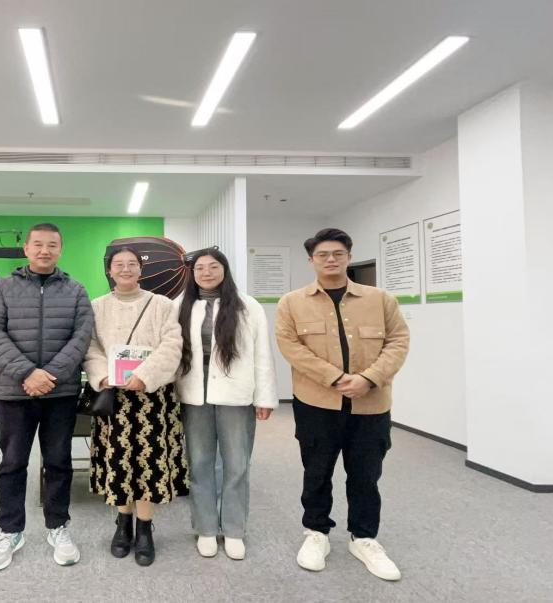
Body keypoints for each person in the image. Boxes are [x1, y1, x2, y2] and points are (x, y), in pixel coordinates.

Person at [276, 228, 410, 581]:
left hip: (371, 404)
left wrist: (368, 378)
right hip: (316, 404)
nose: (331, 259)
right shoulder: (292, 302)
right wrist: (334, 378)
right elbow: (291, 347)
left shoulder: (380, 299)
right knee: (316, 472)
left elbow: (398, 341)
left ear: (349, 257)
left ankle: (364, 538)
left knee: (366, 475)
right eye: (323, 255)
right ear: (311, 261)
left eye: (338, 253)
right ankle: (316, 533)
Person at [0, 223, 94, 571]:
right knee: (13, 463)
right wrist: (28, 373)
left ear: (60, 249)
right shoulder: (3, 287)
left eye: (52, 245)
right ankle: (10, 531)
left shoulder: (75, 290)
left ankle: (58, 526)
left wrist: (50, 375)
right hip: (14, 391)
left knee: (58, 461)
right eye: (38, 245)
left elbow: (82, 335)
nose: (45, 250)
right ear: (26, 249)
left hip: (61, 392)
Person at [83, 247, 186, 566]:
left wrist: (145, 375)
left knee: (148, 463)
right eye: (119, 264)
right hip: (113, 398)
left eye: (132, 264)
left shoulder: (162, 304)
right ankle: (122, 523)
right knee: (118, 462)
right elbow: (90, 347)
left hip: (153, 398)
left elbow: (173, 345)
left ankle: (144, 527)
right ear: (109, 271)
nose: (125, 269)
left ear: (141, 270)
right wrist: (103, 375)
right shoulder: (96, 306)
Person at [174, 249, 277, 560]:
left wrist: (264, 396)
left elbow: (262, 353)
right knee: (200, 462)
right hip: (193, 392)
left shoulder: (248, 306)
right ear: (192, 273)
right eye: (200, 268)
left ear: (225, 270)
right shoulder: (180, 305)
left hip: (236, 392)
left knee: (237, 463)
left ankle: (233, 530)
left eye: (213, 267)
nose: (206, 273)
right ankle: (205, 528)